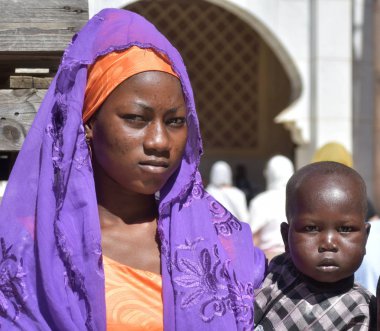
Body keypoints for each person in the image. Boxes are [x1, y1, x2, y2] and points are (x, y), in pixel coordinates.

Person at [0, 9, 266, 330]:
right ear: (87, 123)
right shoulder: (34, 250)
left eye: (174, 122)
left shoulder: (221, 245)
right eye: (136, 119)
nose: (158, 141)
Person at [254, 161, 377, 330]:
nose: (328, 243)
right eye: (311, 229)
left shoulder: (362, 311)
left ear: (365, 238)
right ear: (286, 237)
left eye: (345, 229)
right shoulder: (275, 274)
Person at [248, 155, 294, 261]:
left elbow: (253, 238)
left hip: (269, 260)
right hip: (297, 261)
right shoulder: (300, 198)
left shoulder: (260, 201)